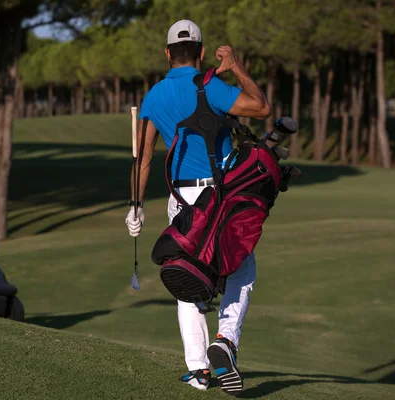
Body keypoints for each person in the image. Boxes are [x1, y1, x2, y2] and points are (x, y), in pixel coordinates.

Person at [125, 19, 271, 395]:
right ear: (202, 53)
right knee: (241, 267)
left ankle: (199, 371)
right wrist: (236, 66)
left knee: (187, 276)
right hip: (221, 197)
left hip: (182, 202)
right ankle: (224, 341)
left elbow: (141, 159)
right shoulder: (211, 86)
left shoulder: (154, 97)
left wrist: (136, 207)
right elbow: (261, 107)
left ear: (167, 53)